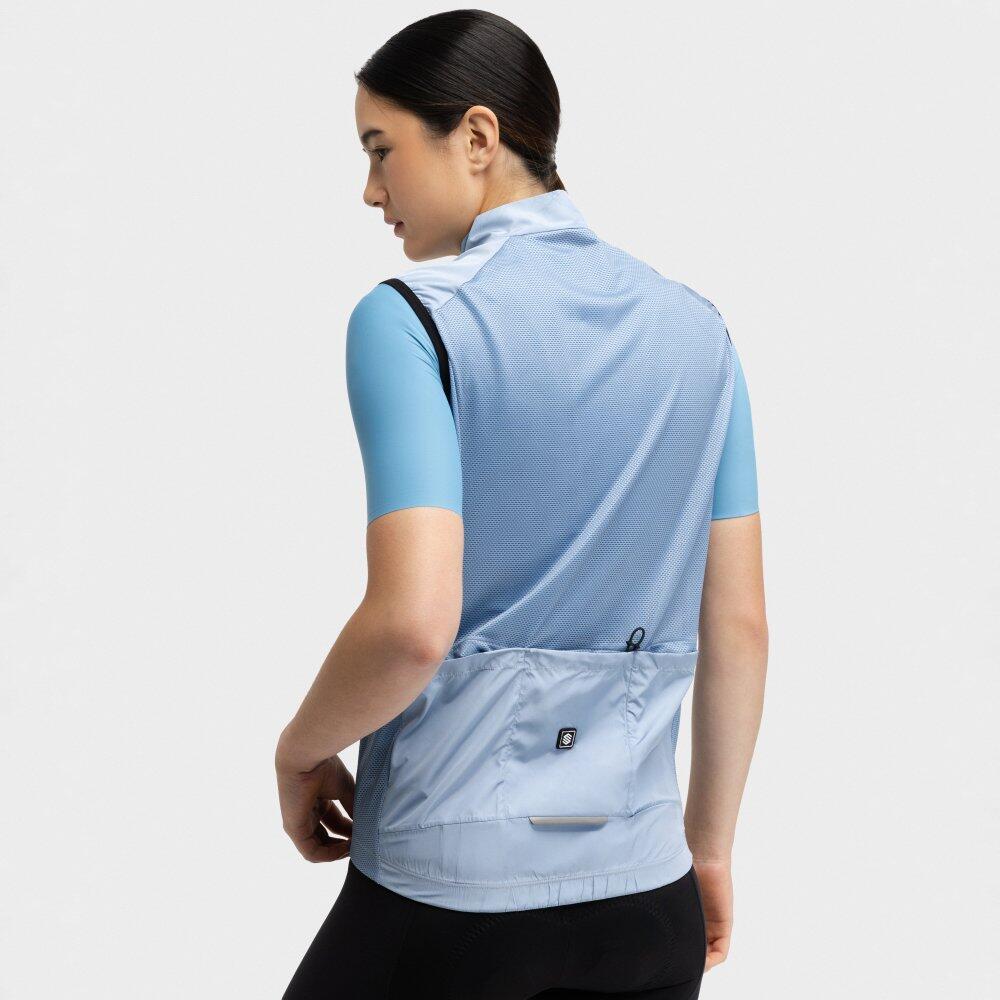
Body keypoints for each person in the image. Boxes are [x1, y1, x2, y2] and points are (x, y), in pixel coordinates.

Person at [275, 10, 768, 999]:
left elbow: (413, 627)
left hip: (447, 899)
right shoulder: (700, 334)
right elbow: (740, 626)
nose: (370, 190)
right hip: (647, 904)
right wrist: (706, 848)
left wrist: (301, 752)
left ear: (476, 136)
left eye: (381, 149)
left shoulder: (410, 321)